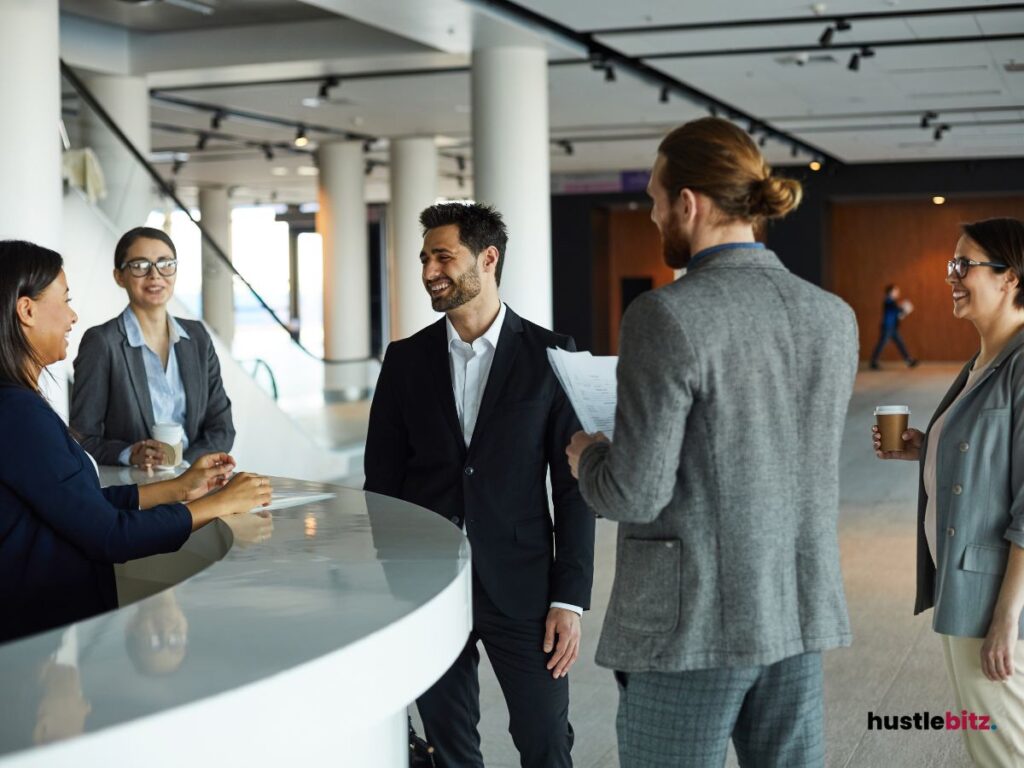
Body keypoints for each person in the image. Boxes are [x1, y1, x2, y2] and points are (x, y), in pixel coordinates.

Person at [566, 117, 859, 768]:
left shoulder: (666, 315)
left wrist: (588, 456)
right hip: (795, 610)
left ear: (688, 204)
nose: (651, 215)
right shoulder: (832, 316)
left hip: (692, 621)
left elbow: (635, 492)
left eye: (654, 200)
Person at [364, 203, 595, 768]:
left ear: (487, 259)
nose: (428, 271)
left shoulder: (550, 355)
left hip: (523, 588)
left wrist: (571, 598)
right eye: (424, 258)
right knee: (450, 746)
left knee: (545, 741)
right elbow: (382, 484)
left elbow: (574, 489)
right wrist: (395, 585)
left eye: (443, 256)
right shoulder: (405, 360)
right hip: (429, 584)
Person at [0, 240, 272, 645]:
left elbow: (78, 505)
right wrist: (217, 504)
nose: (73, 315)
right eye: (66, 299)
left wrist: (179, 488)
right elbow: (108, 533)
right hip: (34, 639)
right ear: (26, 310)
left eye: (165, 263)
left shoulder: (18, 407)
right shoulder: (19, 413)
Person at [873, 218, 1024, 765]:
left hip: (993, 602)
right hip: (967, 589)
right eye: (950, 266)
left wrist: (1007, 618)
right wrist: (926, 447)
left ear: (1010, 278)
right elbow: (990, 454)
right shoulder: (985, 359)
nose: (952, 277)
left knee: (1001, 749)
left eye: (966, 265)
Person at [71, 227, 234, 468]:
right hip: (137, 490)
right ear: (119, 276)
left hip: (196, 482)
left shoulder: (197, 337)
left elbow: (222, 429)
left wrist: (184, 467)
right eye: (140, 266)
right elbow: (81, 438)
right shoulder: (102, 342)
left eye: (165, 263)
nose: (155, 275)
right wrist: (130, 454)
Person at [869, 283, 918, 369]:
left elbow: (897, 314)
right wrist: (903, 308)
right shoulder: (888, 301)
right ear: (891, 292)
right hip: (887, 328)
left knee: (900, 343)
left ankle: (909, 360)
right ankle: (873, 362)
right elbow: (895, 310)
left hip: (893, 328)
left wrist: (903, 311)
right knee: (882, 344)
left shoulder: (892, 302)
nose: (898, 292)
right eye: (896, 290)